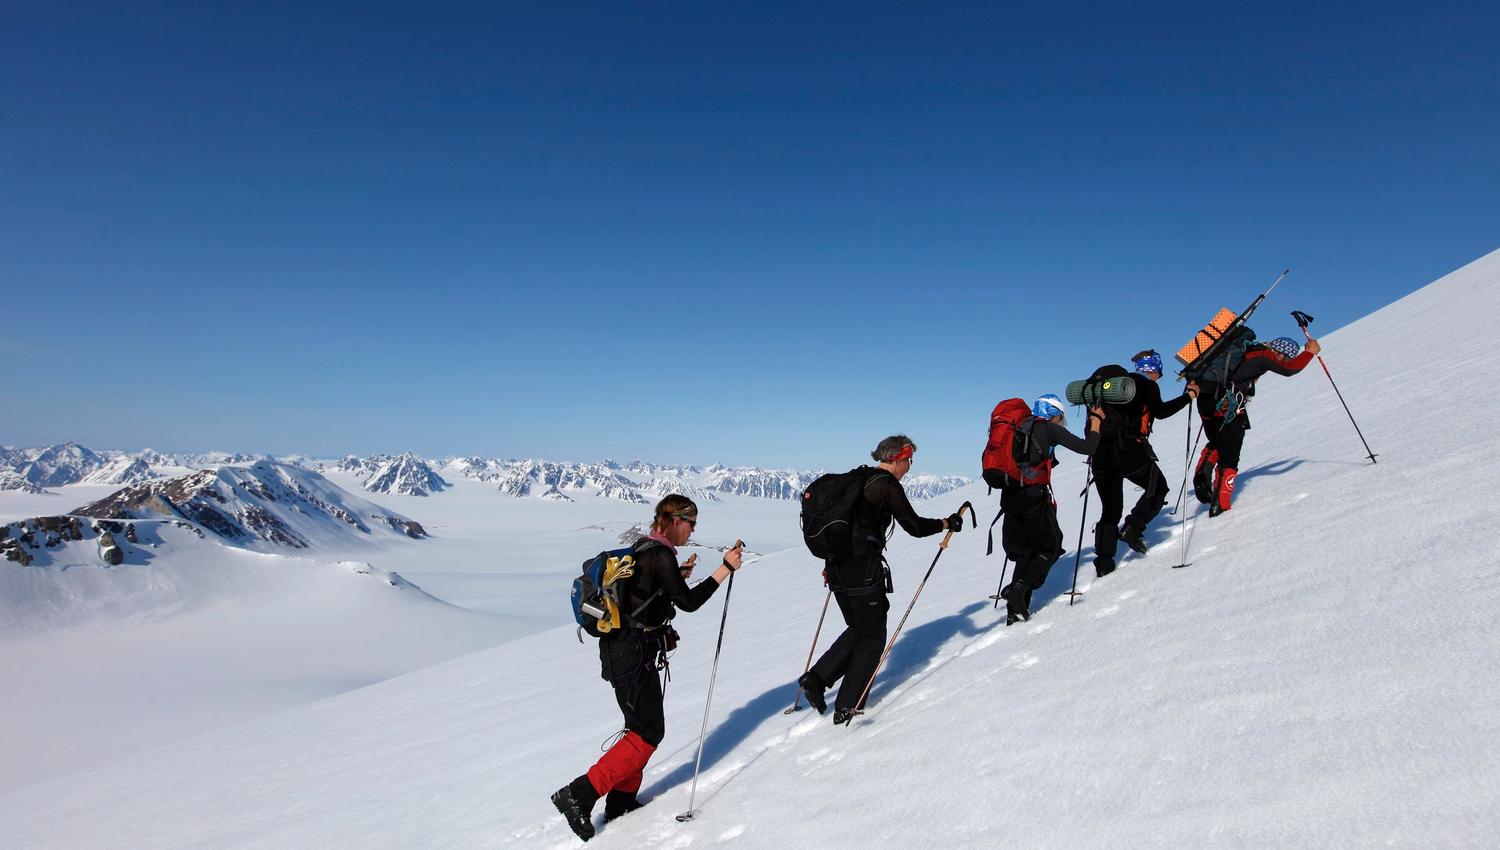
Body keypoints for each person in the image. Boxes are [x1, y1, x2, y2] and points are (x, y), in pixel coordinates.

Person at [551, 495, 746, 842]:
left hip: (626, 651)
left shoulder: (646, 548)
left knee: (642, 727)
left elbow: (644, 596)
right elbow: (689, 603)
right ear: (673, 520)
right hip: (631, 654)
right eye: (691, 523)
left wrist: (673, 581)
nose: (692, 531)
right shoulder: (660, 554)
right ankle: (578, 795)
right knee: (646, 732)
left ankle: (621, 801)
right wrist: (725, 569)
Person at [798, 435, 963, 725]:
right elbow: (914, 526)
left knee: (862, 627)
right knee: (873, 637)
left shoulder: (858, 478)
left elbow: (843, 527)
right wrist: (947, 523)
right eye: (909, 461)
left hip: (837, 569)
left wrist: (829, 565)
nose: (909, 467)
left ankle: (816, 678)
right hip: (862, 569)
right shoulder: (886, 485)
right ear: (899, 458)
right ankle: (849, 704)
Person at [1089, 351, 1199, 577]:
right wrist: (1189, 396)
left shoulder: (1113, 388)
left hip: (1100, 453)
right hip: (1129, 450)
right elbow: (1162, 411)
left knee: (1110, 510)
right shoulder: (1146, 385)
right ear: (1154, 369)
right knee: (1158, 488)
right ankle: (1133, 528)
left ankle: (1104, 563)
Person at [998, 394, 1103, 625]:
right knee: (1051, 547)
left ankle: (1015, 610)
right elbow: (1087, 447)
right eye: (1060, 417)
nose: (1061, 422)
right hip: (1033, 496)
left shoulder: (1019, 426)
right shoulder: (1047, 428)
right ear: (1054, 414)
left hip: (1009, 497)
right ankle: (1018, 589)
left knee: (1027, 550)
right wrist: (1095, 421)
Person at [1194, 335, 1320, 516]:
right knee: (1231, 455)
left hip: (1207, 400)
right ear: (1281, 353)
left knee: (1217, 441)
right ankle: (1220, 503)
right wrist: (1309, 353)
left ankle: (1202, 477)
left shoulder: (1248, 351)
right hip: (1229, 405)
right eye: (1285, 356)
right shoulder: (1264, 355)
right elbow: (1289, 369)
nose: (1282, 360)